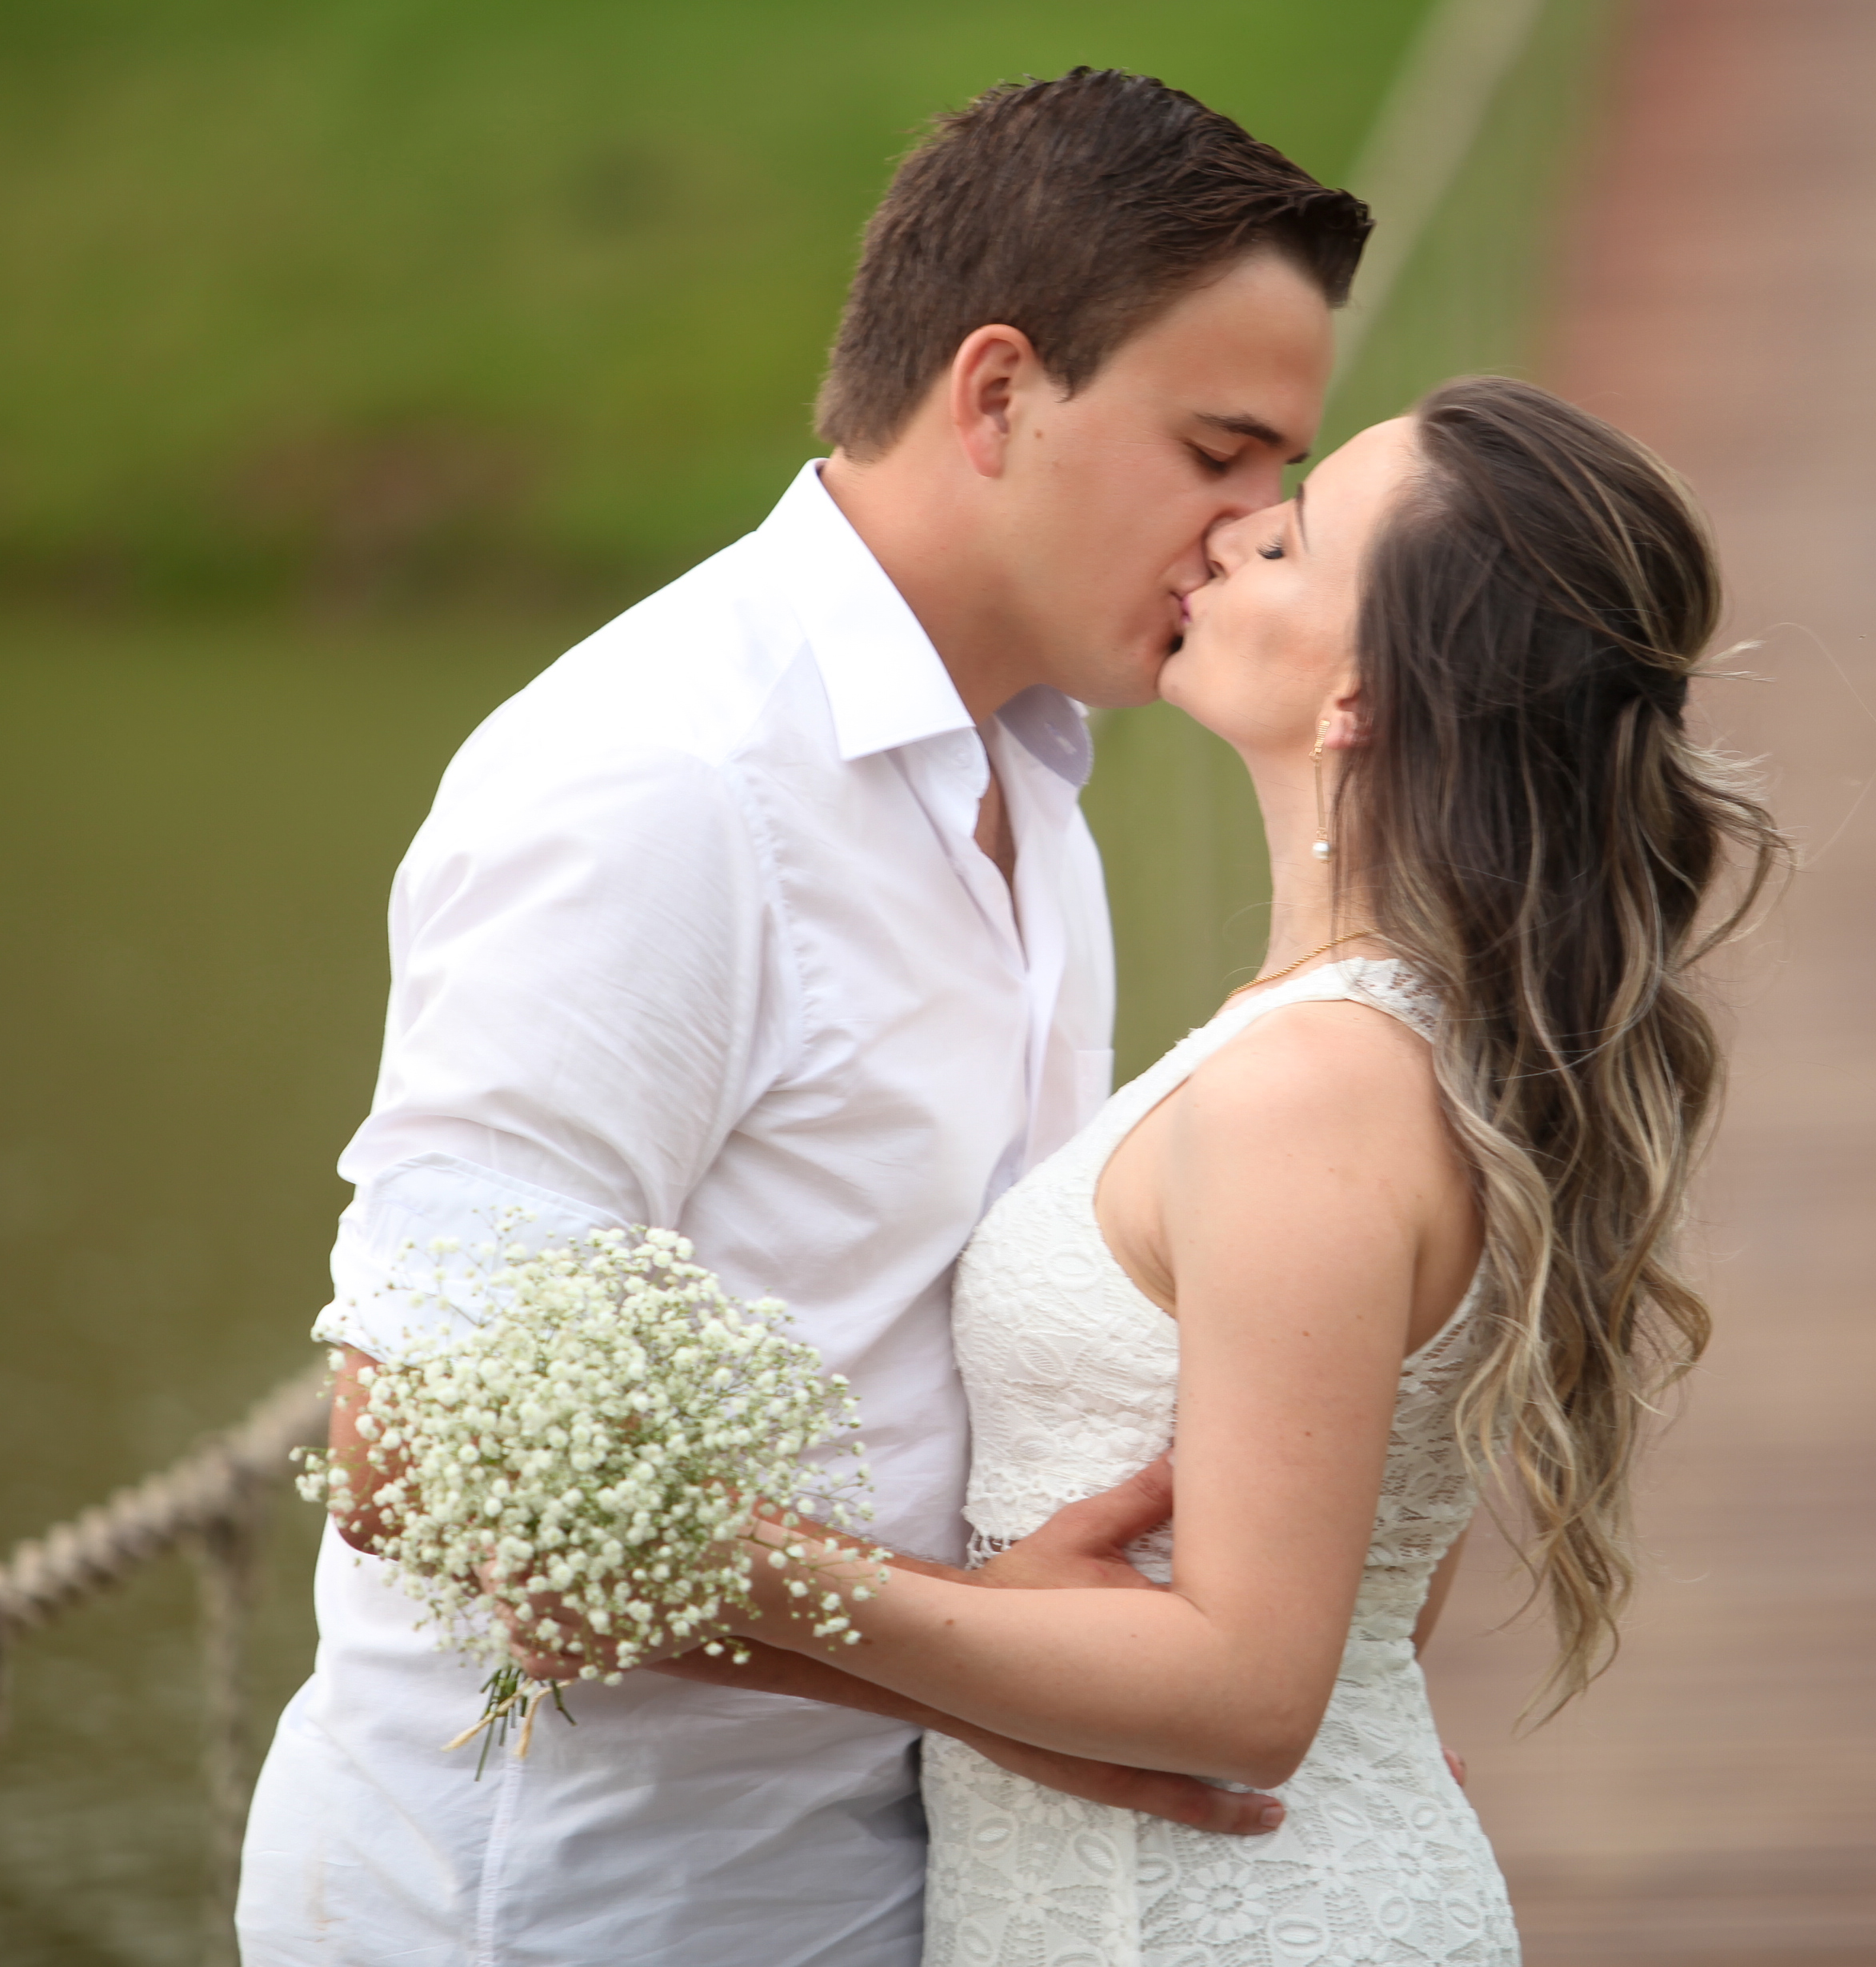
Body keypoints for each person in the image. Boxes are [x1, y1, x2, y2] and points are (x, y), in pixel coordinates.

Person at [239, 70, 1368, 1966]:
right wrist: (992, 1666)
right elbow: (414, 1446)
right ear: (997, 395)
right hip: (554, 1907)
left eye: (1287, 481)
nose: (1253, 532)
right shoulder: (660, 782)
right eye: (1217, 451)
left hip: (866, 1891)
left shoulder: (1046, 793)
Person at [678, 376, 1789, 1964]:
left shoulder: (1318, 1091)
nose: (1235, 528)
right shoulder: (1373, 1042)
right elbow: (1374, 1607)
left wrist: (728, 1570)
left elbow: (1254, 1700)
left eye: (1296, 539)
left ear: (1366, 695)